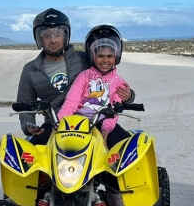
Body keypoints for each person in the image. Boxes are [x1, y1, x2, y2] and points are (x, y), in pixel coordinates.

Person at [16, 8, 134, 145]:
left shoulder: (84, 59)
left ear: (65, 36)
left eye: (57, 34)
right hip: (55, 123)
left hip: (93, 121)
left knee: (129, 152)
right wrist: (28, 124)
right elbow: (24, 104)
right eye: (47, 35)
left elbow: (110, 81)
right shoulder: (31, 70)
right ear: (39, 38)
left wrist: (129, 95)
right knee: (30, 158)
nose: (53, 40)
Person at [58, 24, 130, 149]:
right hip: (78, 123)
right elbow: (70, 103)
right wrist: (58, 125)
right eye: (100, 56)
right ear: (92, 55)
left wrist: (106, 130)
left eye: (110, 56)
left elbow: (114, 111)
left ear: (116, 56)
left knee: (127, 150)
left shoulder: (119, 83)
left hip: (104, 123)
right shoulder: (84, 76)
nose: (105, 60)